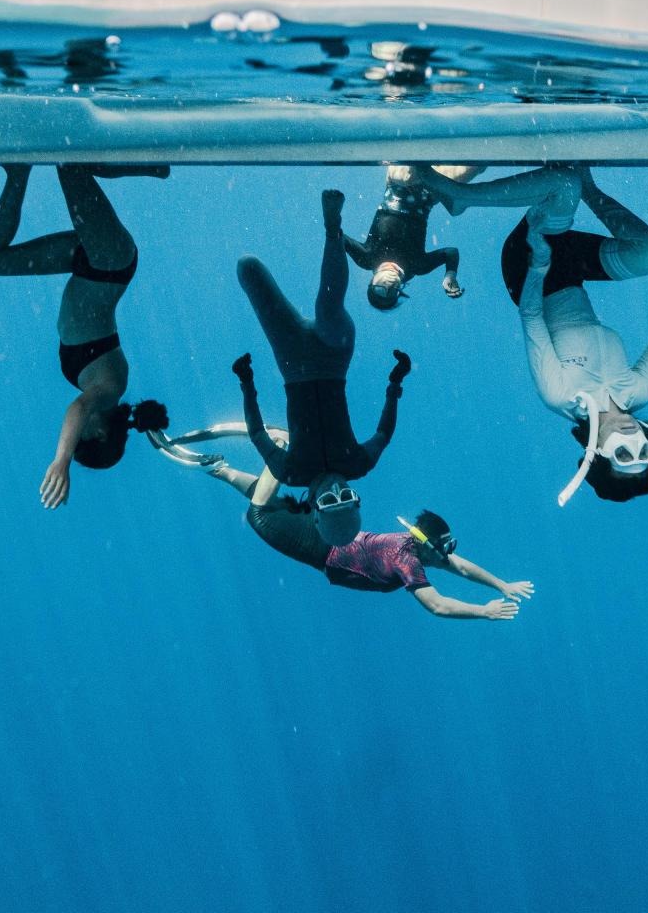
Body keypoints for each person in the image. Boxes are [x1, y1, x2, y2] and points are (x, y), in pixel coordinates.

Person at [426, 165, 648, 503]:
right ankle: (589, 186)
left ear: (598, 453)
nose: (633, 443)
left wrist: (540, 263)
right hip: (573, 268)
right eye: (644, 454)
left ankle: (462, 198)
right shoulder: (638, 391)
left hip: (529, 268)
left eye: (623, 456)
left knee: (563, 182)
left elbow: (530, 315)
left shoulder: (562, 396)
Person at [165, 432, 532, 618]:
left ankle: (219, 467)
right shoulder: (408, 563)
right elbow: (437, 606)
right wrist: (484, 611)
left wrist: (502, 584)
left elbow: (462, 567)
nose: (450, 556)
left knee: (272, 502)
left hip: (325, 529)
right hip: (317, 544)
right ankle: (277, 447)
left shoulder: (417, 548)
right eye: (446, 548)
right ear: (426, 546)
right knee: (259, 514)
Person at [0, 164, 170, 504]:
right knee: (70, 163)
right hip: (109, 261)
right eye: (81, 438)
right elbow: (77, 410)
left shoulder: (93, 387)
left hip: (86, 262)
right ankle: (148, 165)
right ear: (98, 433)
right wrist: (62, 460)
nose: (75, 433)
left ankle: (17, 173)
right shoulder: (108, 390)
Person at [228, 189, 400, 530]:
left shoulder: (289, 472)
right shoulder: (358, 464)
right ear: (355, 494)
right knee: (327, 308)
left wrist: (247, 384)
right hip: (335, 356)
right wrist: (396, 383)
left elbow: (257, 433)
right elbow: (384, 432)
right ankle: (333, 229)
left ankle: (333, 232)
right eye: (347, 497)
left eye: (329, 500)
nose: (337, 489)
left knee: (247, 268)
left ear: (313, 507)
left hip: (292, 360)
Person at [339, 164, 467, 310]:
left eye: (381, 290)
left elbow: (339, 239)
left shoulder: (367, 258)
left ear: (371, 282)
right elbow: (451, 252)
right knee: (473, 169)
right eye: (392, 292)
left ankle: (410, 153)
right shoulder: (417, 266)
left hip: (396, 184)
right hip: (430, 192)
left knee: (409, 176)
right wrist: (450, 276)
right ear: (399, 289)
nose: (388, 286)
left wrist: (336, 270)